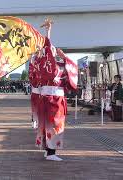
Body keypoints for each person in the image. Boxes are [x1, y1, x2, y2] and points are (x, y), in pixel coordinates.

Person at [35, 19, 78, 161]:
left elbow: (72, 72)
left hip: (56, 98)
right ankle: (51, 152)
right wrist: (48, 32)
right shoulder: (44, 63)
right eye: (50, 49)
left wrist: (64, 57)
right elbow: (47, 45)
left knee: (51, 125)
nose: (52, 50)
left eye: (54, 49)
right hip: (50, 99)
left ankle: (48, 151)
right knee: (52, 125)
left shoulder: (60, 63)